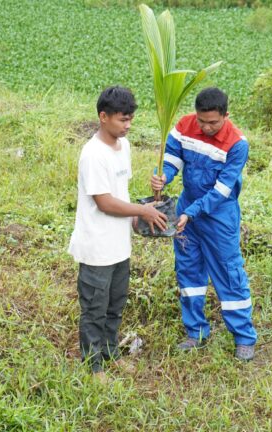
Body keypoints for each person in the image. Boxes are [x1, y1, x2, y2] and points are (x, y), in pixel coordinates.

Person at [68, 86, 168, 380]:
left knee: (115, 304)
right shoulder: (92, 154)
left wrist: (142, 212)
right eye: (122, 120)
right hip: (97, 246)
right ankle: (93, 365)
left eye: (130, 120)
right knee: (95, 308)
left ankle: (109, 353)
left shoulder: (124, 147)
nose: (127, 126)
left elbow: (120, 192)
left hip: (119, 245)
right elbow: (104, 201)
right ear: (103, 117)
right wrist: (142, 211)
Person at [151, 87, 257, 361]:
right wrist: (163, 176)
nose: (206, 127)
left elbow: (222, 191)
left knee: (229, 273)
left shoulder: (237, 144)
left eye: (213, 122)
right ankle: (195, 332)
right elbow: (172, 160)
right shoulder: (185, 126)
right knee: (188, 271)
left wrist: (192, 212)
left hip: (218, 217)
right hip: (187, 211)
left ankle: (244, 338)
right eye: (202, 121)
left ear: (225, 116)